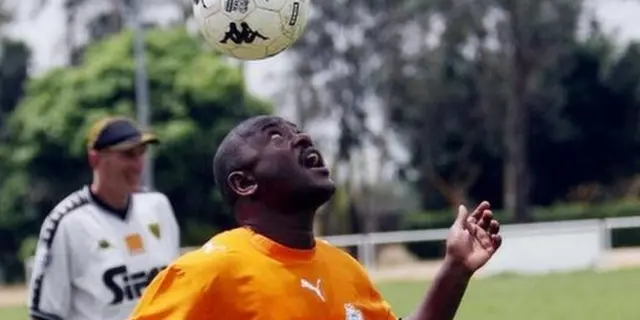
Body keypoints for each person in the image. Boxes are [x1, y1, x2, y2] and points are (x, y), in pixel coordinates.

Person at [130, 115, 502, 320]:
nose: (303, 137)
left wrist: (455, 268)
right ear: (244, 183)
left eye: (297, 130)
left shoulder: (344, 269)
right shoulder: (208, 274)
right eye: (276, 137)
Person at [28, 116, 181, 320]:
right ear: (95, 158)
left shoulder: (158, 206)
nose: (138, 165)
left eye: (141, 153)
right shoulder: (67, 222)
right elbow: (45, 314)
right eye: (127, 154)